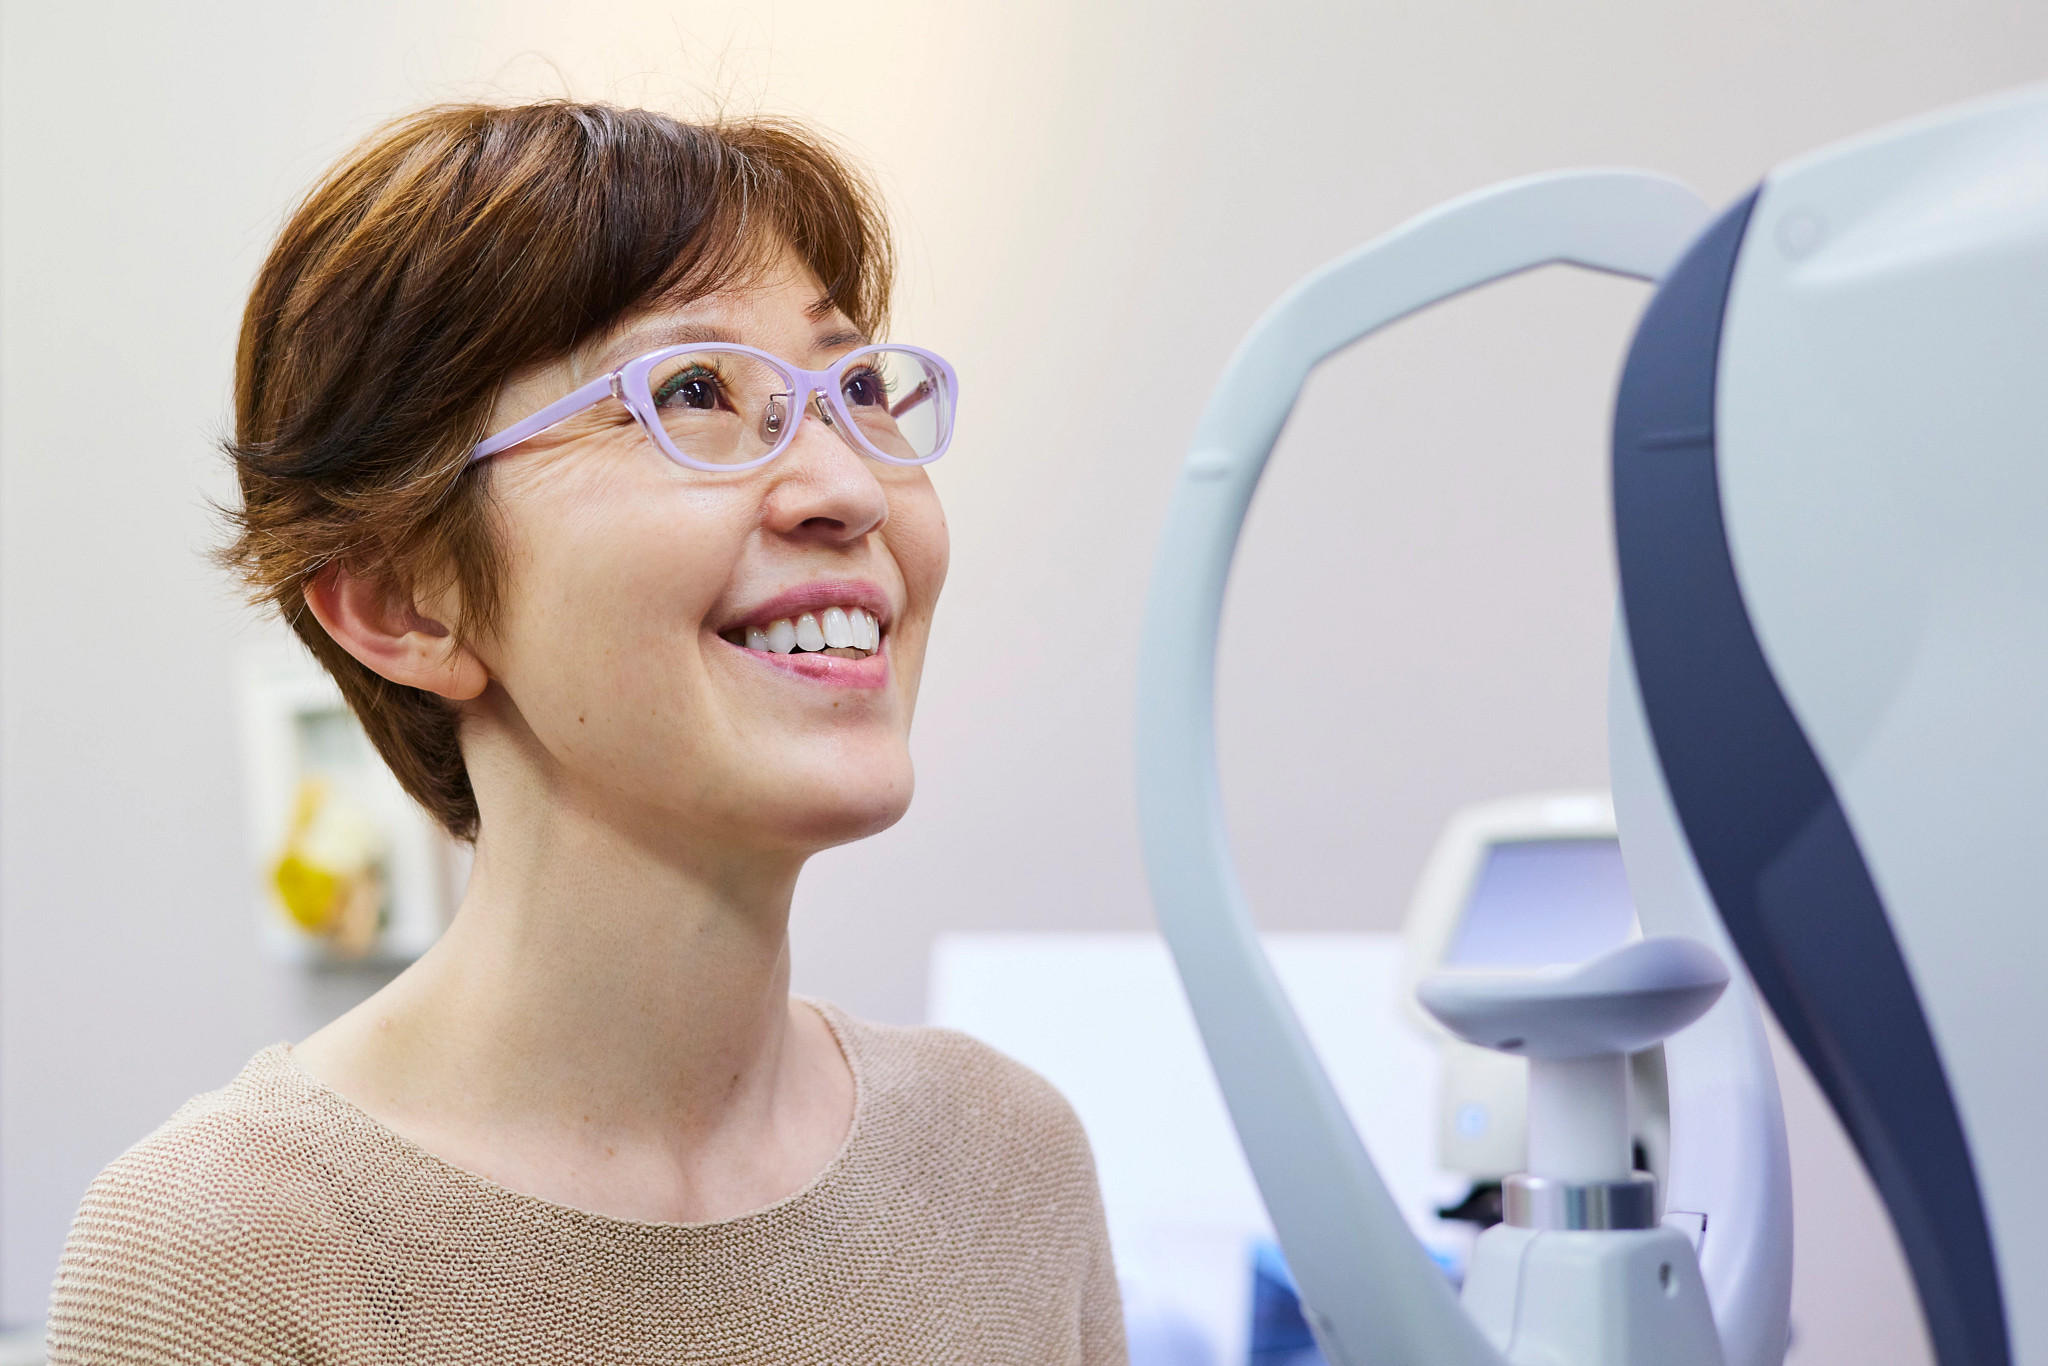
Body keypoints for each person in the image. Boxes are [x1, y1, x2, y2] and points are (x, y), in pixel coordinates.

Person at [45, 101, 1125, 1365]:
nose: (845, 487)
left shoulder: (1007, 1161)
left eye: (857, 388)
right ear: (403, 601)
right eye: (690, 392)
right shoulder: (228, 1258)